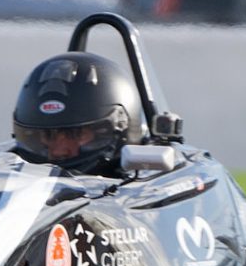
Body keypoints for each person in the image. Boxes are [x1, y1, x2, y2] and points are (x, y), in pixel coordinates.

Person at [11, 52, 147, 176]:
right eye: (49, 135)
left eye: (76, 134)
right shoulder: (7, 168)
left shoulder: (147, 188)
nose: (58, 152)